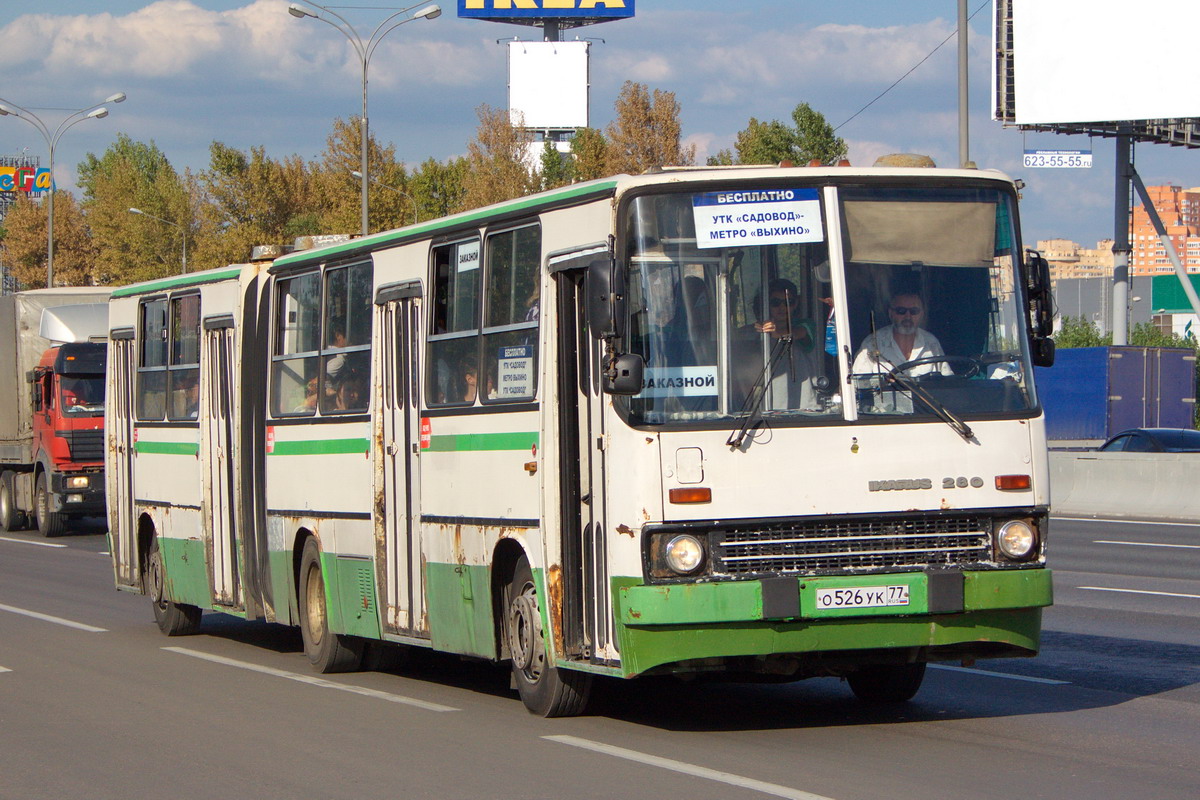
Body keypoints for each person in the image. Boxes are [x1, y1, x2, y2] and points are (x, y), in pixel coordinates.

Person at [851, 291, 951, 376]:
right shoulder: (872, 344)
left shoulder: (931, 343)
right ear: (891, 313)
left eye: (914, 311)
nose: (908, 316)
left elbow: (948, 384)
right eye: (901, 311)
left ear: (921, 314)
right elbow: (859, 384)